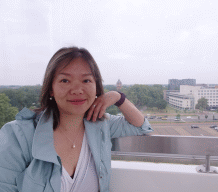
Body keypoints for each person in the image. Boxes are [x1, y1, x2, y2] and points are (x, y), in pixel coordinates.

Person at [0, 47, 153, 192]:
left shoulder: (100, 124)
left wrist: (117, 97)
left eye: (86, 81)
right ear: (51, 88)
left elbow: (141, 126)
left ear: (96, 87)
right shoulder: (18, 135)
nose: (77, 90)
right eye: (65, 81)